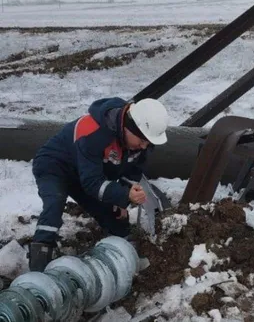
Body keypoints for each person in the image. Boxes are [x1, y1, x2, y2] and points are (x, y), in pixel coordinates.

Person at [28, 97, 169, 272]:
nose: (144, 145)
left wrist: (124, 196)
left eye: (148, 142)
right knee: (54, 205)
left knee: (113, 214)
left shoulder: (140, 143)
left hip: (88, 173)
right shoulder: (92, 131)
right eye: (142, 140)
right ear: (129, 127)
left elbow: (132, 172)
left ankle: (128, 256)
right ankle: (39, 265)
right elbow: (92, 183)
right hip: (55, 165)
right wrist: (124, 195)